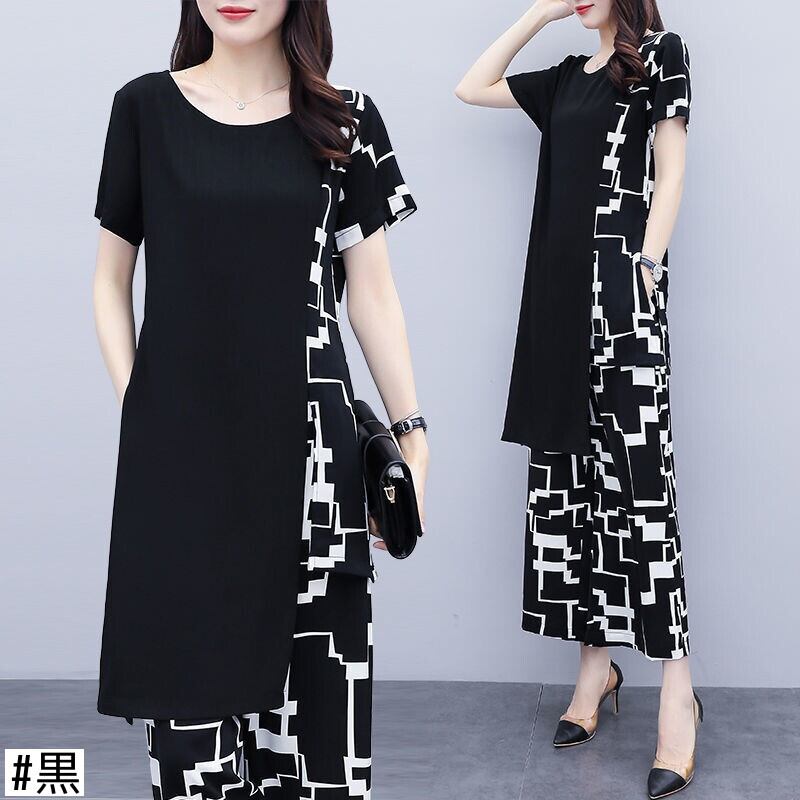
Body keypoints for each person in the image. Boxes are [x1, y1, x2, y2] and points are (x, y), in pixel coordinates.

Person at [92, 2, 428, 797]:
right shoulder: (144, 108)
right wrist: (146, 411)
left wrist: (412, 436)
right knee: (192, 760)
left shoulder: (347, 120)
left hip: (314, 469)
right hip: (184, 472)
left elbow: (372, 295)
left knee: (317, 758)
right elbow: (109, 282)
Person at [456, 1, 699, 796]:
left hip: (622, 298)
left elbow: (671, 168)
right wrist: (538, 14)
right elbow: (471, 86)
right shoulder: (564, 81)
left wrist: (646, 268)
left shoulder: (660, 53)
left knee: (640, 489)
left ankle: (677, 692)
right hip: (558, 307)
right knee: (569, 488)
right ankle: (596, 667)